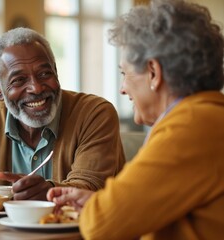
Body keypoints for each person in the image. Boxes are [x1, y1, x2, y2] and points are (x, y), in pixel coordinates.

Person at [47, 0, 224, 239]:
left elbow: (102, 224)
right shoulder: (209, 118)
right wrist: (95, 202)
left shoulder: (192, 126)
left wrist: (97, 209)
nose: (122, 88)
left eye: (124, 73)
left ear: (153, 72)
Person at [0, 27, 126, 214]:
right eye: (19, 80)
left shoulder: (95, 113)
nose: (36, 88)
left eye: (45, 73)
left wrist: (48, 192)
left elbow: (90, 186)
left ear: (56, 71)